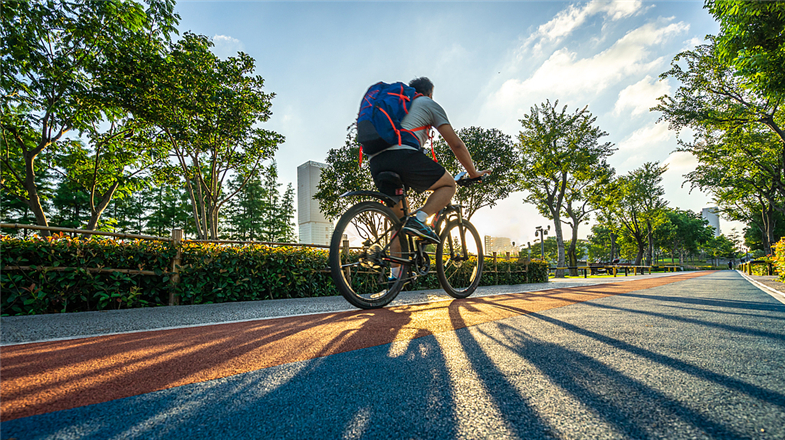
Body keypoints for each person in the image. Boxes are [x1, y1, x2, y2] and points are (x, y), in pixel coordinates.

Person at [366, 77, 490, 244]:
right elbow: (456, 144)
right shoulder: (427, 103)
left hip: (376, 161)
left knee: (399, 223)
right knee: (448, 185)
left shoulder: (397, 107)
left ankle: (395, 270)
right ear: (430, 93)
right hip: (401, 156)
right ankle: (420, 219)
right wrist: (473, 173)